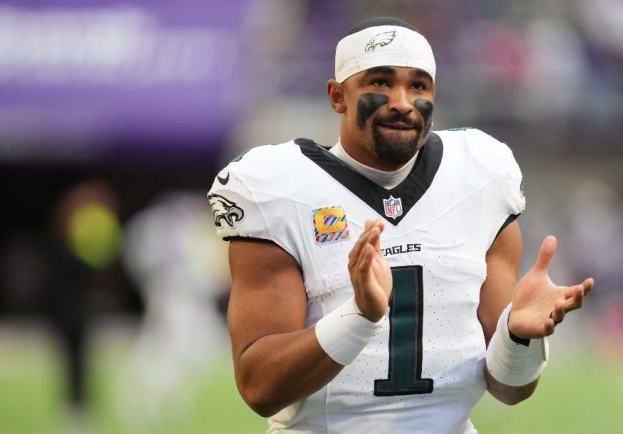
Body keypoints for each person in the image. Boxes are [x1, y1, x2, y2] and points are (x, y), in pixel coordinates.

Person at [208, 17, 594, 433]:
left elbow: (509, 388)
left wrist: (519, 336)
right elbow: (259, 387)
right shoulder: (278, 186)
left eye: (418, 86)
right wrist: (359, 317)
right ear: (338, 96)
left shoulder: (480, 173)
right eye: (380, 82)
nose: (402, 102)